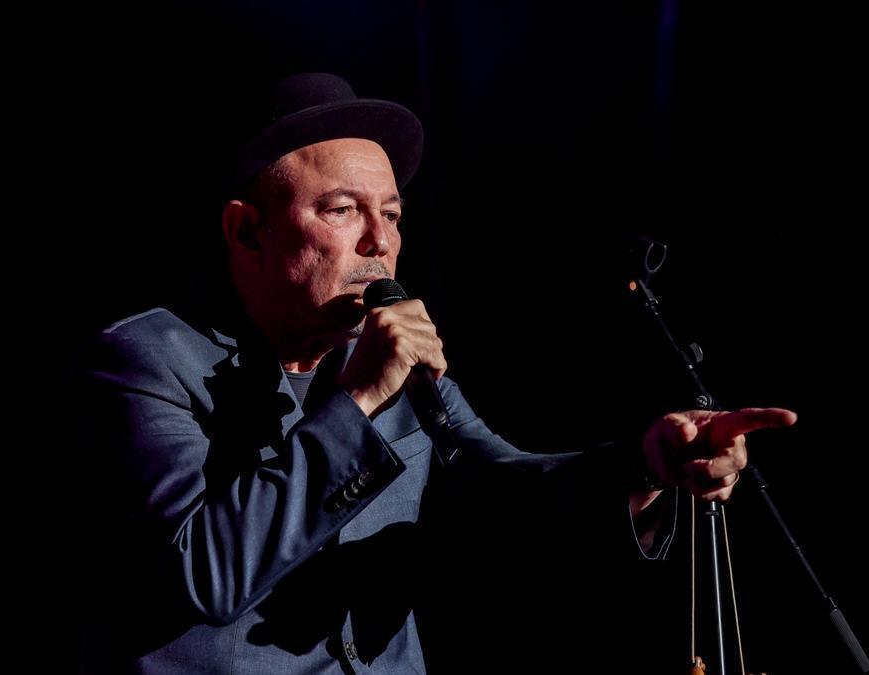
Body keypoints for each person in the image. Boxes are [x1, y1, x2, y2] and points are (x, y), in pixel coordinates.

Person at [73, 73, 797, 674]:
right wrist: (359, 399)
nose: (380, 240)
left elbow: (503, 490)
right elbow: (205, 572)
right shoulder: (147, 360)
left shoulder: (395, 366)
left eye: (391, 213)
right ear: (248, 230)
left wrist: (647, 463)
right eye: (341, 209)